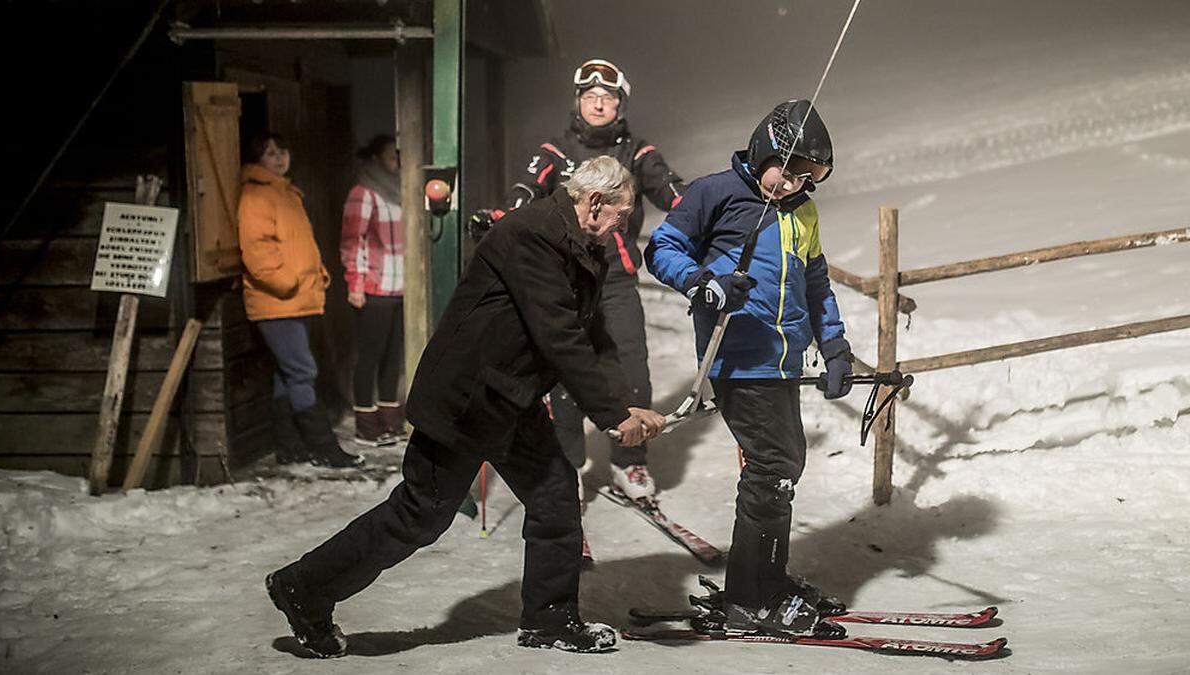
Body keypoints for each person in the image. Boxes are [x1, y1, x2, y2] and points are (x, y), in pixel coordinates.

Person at [266, 156, 667, 657]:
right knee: (421, 514)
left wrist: (624, 403)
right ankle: (303, 587)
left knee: (555, 499)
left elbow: (593, 334)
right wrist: (613, 416)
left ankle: (550, 620)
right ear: (594, 203)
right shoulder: (534, 235)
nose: (622, 226)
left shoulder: (584, 244)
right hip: (467, 397)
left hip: (512, 396)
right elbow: (557, 334)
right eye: (620, 216)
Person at [645, 100, 853, 638]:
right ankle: (750, 595)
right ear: (764, 150)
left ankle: (766, 579)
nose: (794, 184)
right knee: (773, 465)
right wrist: (704, 283)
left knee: (783, 465)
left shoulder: (802, 211)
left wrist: (833, 346)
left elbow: (815, 284)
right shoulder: (716, 192)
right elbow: (663, 247)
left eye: (810, 176)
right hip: (736, 353)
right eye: (789, 169)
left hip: (782, 360)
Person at [471, 58, 686, 503]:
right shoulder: (556, 151)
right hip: (566, 279)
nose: (598, 104)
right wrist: (502, 217)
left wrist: (705, 209)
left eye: (607, 98)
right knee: (565, 374)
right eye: (590, 97)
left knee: (631, 372)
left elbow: (671, 191)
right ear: (579, 102)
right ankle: (567, 465)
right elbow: (523, 192)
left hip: (617, 281)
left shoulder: (637, 152)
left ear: (620, 105)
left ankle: (630, 463)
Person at [237, 131, 364, 469]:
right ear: (256, 160)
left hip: (297, 298)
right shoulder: (256, 196)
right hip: (277, 300)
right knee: (302, 370)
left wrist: (317, 274)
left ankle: (289, 446)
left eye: (282, 151)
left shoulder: (286, 193)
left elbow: (299, 245)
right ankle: (323, 446)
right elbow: (258, 252)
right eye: (269, 153)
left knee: (287, 373)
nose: (278, 158)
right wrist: (288, 282)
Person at [340, 134, 406, 447]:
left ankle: (390, 421)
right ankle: (366, 424)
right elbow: (353, 241)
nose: (397, 162)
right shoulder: (363, 191)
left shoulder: (401, 191)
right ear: (377, 158)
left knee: (393, 358)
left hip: (402, 285)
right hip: (375, 285)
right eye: (392, 156)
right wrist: (355, 283)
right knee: (370, 356)